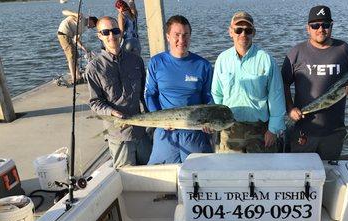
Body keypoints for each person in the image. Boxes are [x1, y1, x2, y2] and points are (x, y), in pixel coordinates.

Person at [282, 5, 348, 160]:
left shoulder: (345, 50)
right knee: (301, 176)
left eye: (325, 25)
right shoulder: (296, 52)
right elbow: (284, 84)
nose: (321, 29)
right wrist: (290, 108)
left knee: (329, 175)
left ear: (331, 26)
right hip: (303, 130)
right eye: (315, 25)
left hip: (334, 132)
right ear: (308, 28)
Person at [211, 11, 286, 153]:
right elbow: (217, 94)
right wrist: (220, 122)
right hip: (230, 130)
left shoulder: (266, 60)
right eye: (238, 30)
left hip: (260, 130)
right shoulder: (222, 59)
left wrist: (273, 129)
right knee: (230, 173)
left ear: (254, 33)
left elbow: (276, 97)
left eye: (248, 30)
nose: (243, 34)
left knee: (263, 173)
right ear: (230, 32)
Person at [145, 15, 213, 164]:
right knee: (161, 179)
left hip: (195, 133)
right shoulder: (156, 62)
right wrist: (158, 119)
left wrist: (210, 121)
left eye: (185, 35)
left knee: (199, 178)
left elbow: (208, 97)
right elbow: (150, 94)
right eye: (177, 35)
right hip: (165, 132)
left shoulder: (203, 65)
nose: (181, 40)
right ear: (168, 36)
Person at [86, 16, 151, 168]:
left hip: (142, 131)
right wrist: (112, 112)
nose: (111, 36)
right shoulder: (93, 67)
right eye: (106, 32)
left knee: (153, 171)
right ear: (99, 36)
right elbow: (95, 102)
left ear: (121, 33)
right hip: (118, 134)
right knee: (127, 178)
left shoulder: (136, 60)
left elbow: (145, 94)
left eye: (115, 31)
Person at [57, 11, 97, 84]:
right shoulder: (81, 17)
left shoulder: (83, 29)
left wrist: (85, 49)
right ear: (90, 20)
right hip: (63, 35)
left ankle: (78, 76)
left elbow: (76, 40)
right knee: (71, 57)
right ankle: (74, 79)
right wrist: (75, 14)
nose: (91, 27)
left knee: (76, 56)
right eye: (93, 25)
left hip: (69, 37)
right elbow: (64, 11)